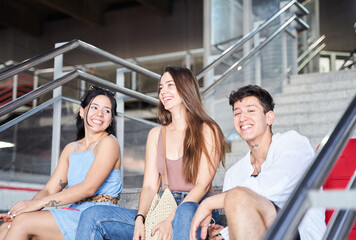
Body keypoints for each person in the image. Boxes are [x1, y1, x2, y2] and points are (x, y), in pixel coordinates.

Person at [75, 66, 227, 240]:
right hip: (164, 206)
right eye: (161, 88)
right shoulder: (156, 135)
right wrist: (140, 218)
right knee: (92, 215)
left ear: (186, 87)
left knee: (184, 212)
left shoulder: (208, 129)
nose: (163, 92)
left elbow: (201, 186)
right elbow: (149, 186)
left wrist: (171, 221)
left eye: (170, 85)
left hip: (197, 208)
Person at [190, 85, 326, 240]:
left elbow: (274, 185)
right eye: (237, 113)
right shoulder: (233, 174)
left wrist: (208, 203)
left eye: (250, 110)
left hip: (301, 234)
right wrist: (225, 234)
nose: (242, 118)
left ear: (269, 117)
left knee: (239, 196)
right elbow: (245, 219)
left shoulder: (294, 143)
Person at [0, 86, 122, 240]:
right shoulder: (70, 149)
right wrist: (23, 209)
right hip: (74, 210)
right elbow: (50, 190)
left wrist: (36, 206)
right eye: (95, 107)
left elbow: (88, 188)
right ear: (82, 111)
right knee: (8, 226)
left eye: (107, 111)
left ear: (111, 119)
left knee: (23, 223)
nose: (100, 114)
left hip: (97, 215)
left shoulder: (109, 143)